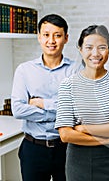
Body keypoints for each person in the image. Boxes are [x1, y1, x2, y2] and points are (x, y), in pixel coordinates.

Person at [11, 14, 80, 181]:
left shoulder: (76, 70)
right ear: (39, 37)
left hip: (66, 148)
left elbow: (78, 109)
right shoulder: (24, 70)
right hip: (33, 148)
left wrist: (41, 103)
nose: (51, 41)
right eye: (46, 35)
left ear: (66, 38)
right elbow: (18, 109)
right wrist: (59, 112)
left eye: (57, 35)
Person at [55, 25, 109, 181]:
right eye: (89, 47)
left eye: (102, 47)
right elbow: (66, 134)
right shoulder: (68, 85)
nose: (95, 54)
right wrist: (104, 139)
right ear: (80, 49)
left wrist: (83, 128)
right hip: (78, 161)